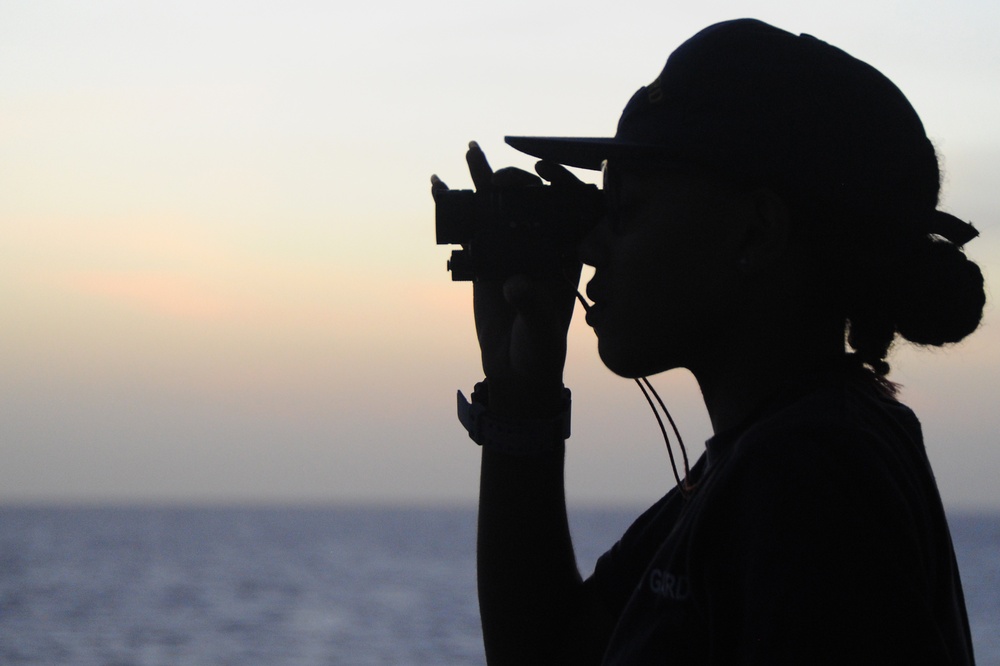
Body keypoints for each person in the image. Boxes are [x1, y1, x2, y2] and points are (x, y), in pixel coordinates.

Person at [432, 18, 983, 664]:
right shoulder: (779, 455)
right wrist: (519, 397)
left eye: (627, 210)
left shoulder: (807, 478)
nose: (589, 246)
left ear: (756, 232)